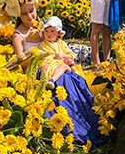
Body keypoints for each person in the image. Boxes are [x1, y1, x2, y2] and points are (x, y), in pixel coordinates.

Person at [0, 0, 103, 144]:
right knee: (64, 81)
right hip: (37, 69)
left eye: (32, 11)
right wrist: (42, 58)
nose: (30, 16)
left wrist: (62, 56)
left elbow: (56, 42)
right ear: (18, 16)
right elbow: (20, 61)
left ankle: (85, 123)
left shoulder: (42, 27)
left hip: (54, 64)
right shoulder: (18, 34)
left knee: (74, 79)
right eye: (24, 13)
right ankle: (69, 127)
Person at [38, 16, 103, 144]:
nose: (49, 34)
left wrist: (68, 58)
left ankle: (52, 80)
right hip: (50, 64)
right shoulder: (44, 44)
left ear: (58, 33)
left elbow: (69, 54)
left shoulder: (62, 43)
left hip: (61, 65)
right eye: (47, 31)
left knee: (69, 71)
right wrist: (58, 56)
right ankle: (50, 80)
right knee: (60, 68)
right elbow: (45, 55)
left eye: (52, 31)